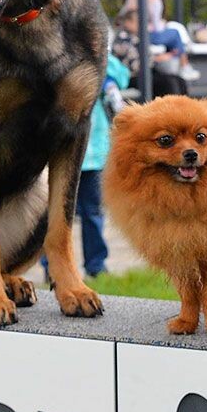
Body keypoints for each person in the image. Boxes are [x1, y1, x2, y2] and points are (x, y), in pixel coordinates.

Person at [76, 53, 131, 278]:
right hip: (57, 152)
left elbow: (123, 77)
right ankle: (53, 270)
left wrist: (102, 59)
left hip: (93, 154)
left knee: (92, 213)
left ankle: (96, 265)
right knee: (51, 215)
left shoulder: (101, 59)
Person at [113, 8, 187, 96]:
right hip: (132, 77)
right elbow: (135, 65)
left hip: (145, 73)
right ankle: (173, 108)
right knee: (168, 83)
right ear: (128, 22)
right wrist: (157, 59)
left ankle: (184, 107)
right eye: (138, 22)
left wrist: (157, 58)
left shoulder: (136, 37)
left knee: (179, 80)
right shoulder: (123, 39)